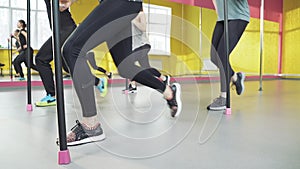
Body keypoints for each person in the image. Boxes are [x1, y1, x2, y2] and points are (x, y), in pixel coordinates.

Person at [61, 0, 182, 146]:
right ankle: (167, 90)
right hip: (123, 5)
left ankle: (91, 126)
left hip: (120, 3)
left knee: (72, 49)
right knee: (125, 67)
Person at [35, 0, 107, 107]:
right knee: (67, 66)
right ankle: (98, 81)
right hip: (62, 30)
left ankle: (52, 96)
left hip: (65, 30)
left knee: (41, 59)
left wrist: (68, 3)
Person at [207, 0, 249, 110]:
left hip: (238, 16)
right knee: (214, 56)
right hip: (222, 17)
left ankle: (224, 97)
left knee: (221, 55)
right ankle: (235, 77)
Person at [128, 8, 170, 93]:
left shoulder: (140, 14)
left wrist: (133, 20)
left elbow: (143, 28)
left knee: (128, 63)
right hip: (136, 47)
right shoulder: (128, 16)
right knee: (146, 67)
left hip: (143, 45)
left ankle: (133, 85)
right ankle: (164, 78)